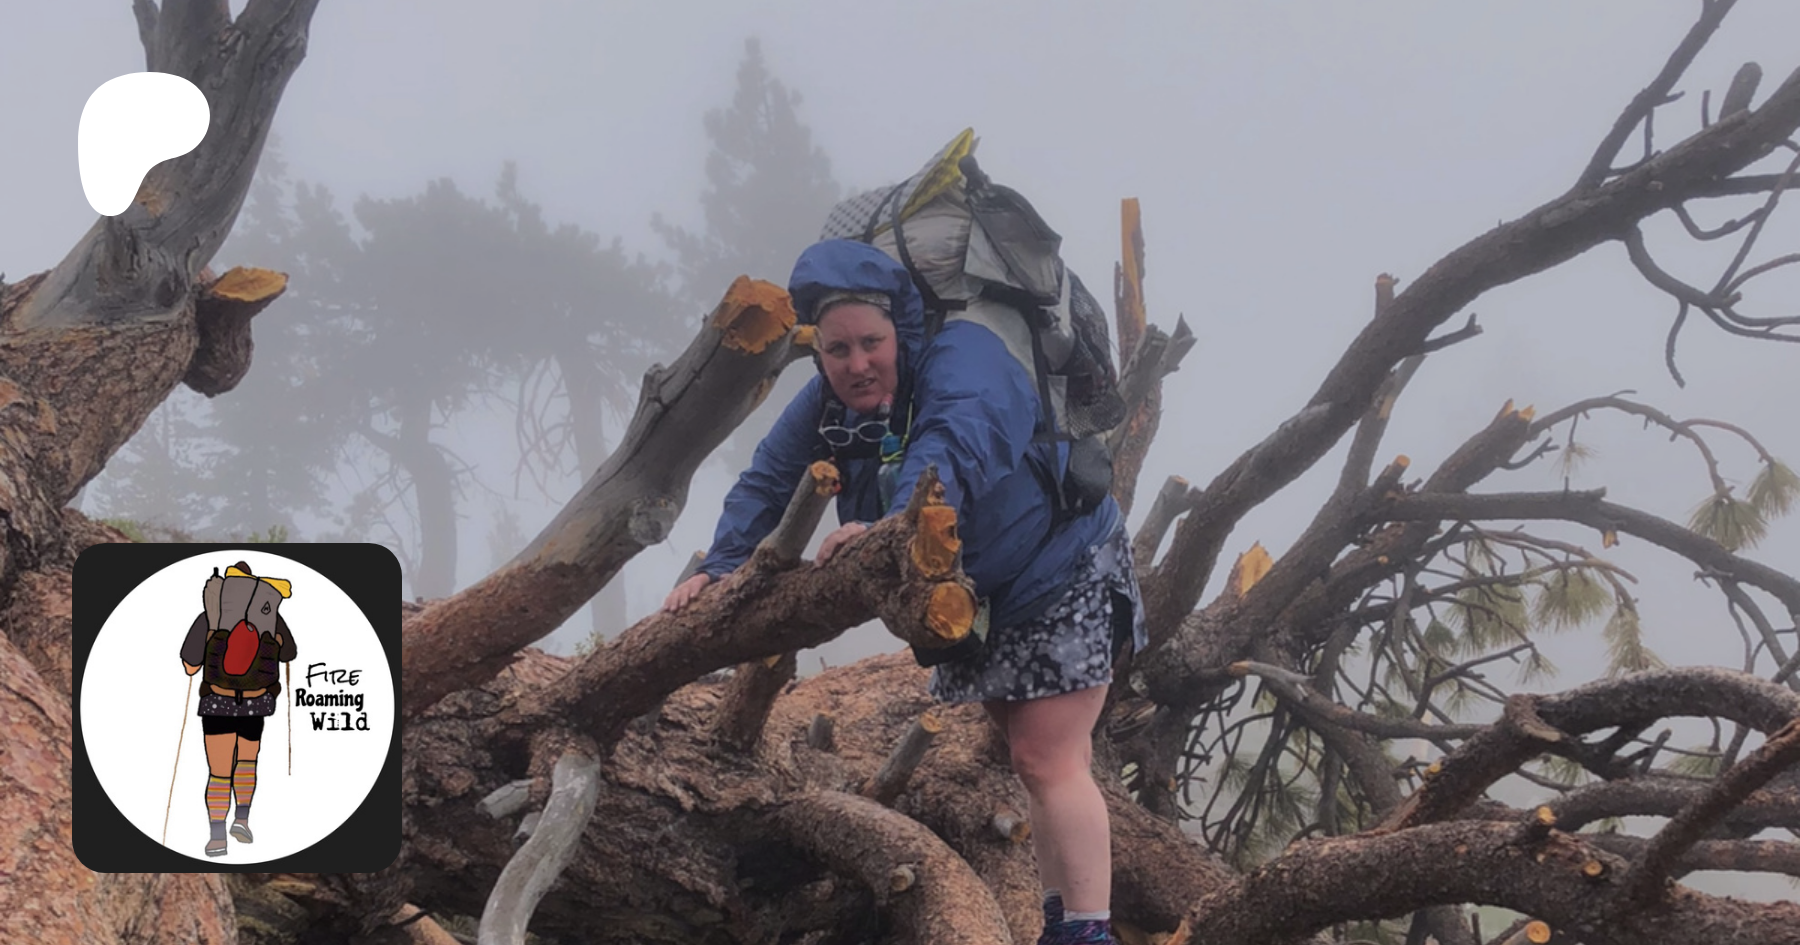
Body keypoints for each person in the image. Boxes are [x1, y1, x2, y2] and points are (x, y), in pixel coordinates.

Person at [664, 239, 1146, 945]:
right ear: (819, 351)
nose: (856, 363)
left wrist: (887, 530)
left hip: (1064, 566)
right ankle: (1063, 926)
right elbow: (768, 477)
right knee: (1031, 760)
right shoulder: (829, 401)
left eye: (871, 343)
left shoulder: (968, 362)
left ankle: (1085, 935)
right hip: (986, 593)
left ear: (903, 330)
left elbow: (952, 447)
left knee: (1048, 757)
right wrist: (722, 564)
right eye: (837, 349)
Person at [179, 561, 298, 857]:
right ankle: (242, 820)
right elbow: (289, 652)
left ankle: (216, 837)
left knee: (219, 772)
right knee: (247, 762)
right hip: (256, 702)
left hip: (217, 702)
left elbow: (190, 666)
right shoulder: (268, 614)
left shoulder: (212, 614)